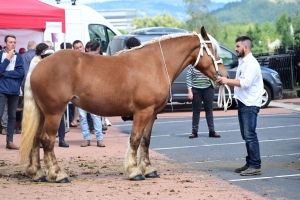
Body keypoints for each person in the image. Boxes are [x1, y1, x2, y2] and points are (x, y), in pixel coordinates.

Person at [217, 36, 263, 176]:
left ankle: (255, 165)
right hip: (244, 102)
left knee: (249, 135)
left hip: (249, 103)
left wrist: (227, 81)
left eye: (237, 46)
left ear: (245, 47)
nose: (236, 49)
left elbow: (245, 83)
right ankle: (250, 162)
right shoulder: (243, 62)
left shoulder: (251, 63)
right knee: (246, 135)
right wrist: (227, 81)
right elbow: (241, 81)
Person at [28, 44, 69, 148]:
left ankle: (61, 139)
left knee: (60, 117)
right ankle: (43, 138)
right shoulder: (37, 63)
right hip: (45, 93)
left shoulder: (58, 66)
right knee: (44, 116)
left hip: (57, 93)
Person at [75, 40, 105, 147]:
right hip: (81, 92)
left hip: (93, 93)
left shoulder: (98, 61)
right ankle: (86, 138)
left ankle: (99, 138)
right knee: (83, 117)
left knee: (95, 116)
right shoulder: (79, 60)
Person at [0, 34, 24, 150]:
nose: (13, 44)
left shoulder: (19, 57)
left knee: (12, 116)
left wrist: (5, 74)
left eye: (14, 42)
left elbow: (20, 73)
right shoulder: (1, 55)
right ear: (5, 43)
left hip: (14, 90)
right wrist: (7, 58)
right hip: (1, 89)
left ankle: (10, 141)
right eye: (10, 42)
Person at [186, 65, 220, 139]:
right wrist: (190, 91)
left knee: (209, 110)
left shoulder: (208, 63)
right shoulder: (193, 65)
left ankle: (212, 131)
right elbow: (188, 77)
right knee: (196, 111)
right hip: (196, 89)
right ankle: (194, 132)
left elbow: (215, 73)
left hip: (208, 88)